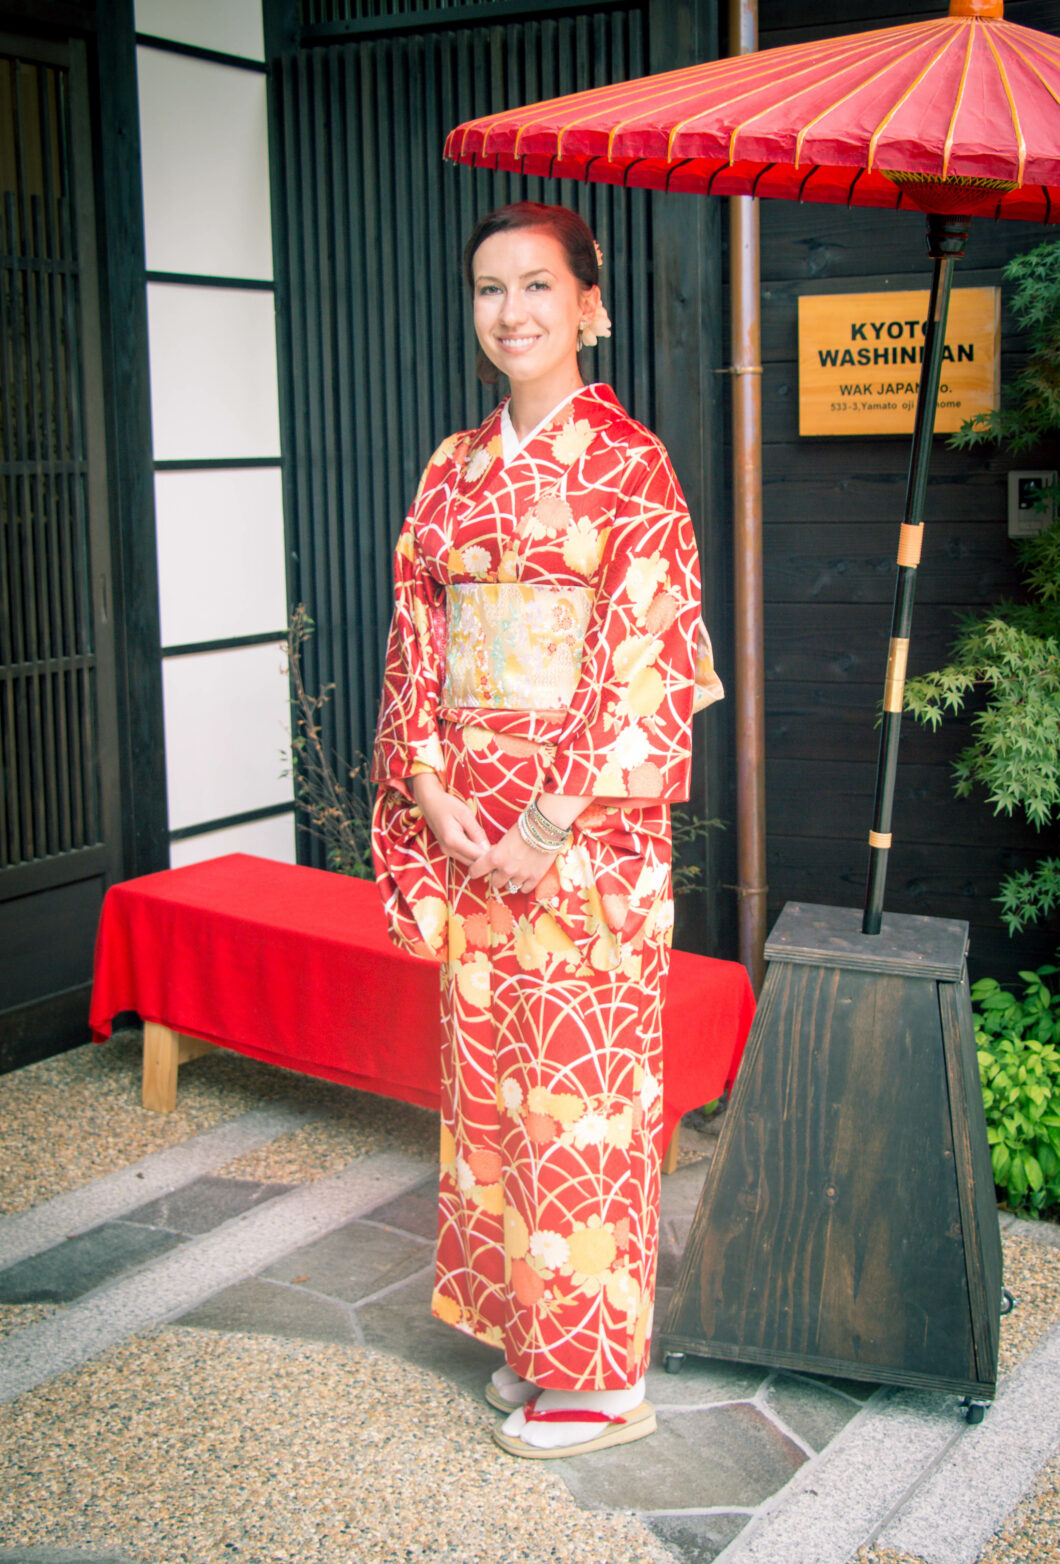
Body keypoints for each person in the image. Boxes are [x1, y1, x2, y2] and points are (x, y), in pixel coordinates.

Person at [371, 201, 722, 1458]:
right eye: (486, 289)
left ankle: (603, 1372)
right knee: (493, 1098)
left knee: (583, 1099)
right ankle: (535, 1336)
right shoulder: (448, 471)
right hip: (472, 828)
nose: (509, 311)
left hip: (585, 842)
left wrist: (550, 814)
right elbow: (419, 641)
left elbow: (647, 658)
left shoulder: (631, 466)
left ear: (591, 304)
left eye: (535, 286)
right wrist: (426, 783)